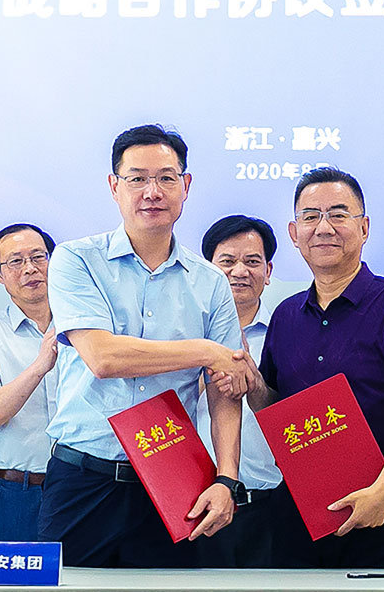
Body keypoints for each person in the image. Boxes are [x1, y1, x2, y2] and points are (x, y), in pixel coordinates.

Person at [38, 124, 247, 567]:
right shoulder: (76, 260)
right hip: (83, 476)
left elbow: (225, 390)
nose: (152, 191)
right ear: (114, 186)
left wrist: (226, 478)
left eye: (166, 178)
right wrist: (205, 350)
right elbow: (103, 357)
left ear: (186, 186)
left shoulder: (211, 282)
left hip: (175, 479)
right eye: (137, 178)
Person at [241, 167, 384, 569]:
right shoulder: (286, 314)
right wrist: (251, 383)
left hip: (382, 508)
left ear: (364, 228)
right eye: (310, 216)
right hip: (299, 512)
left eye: (338, 214)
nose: (324, 228)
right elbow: (275, 410)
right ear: (294, 233)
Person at [196, 214, 306, 568]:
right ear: (207, 270)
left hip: (269, 504)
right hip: (196, 504)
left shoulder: (289, 334)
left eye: (252, 262)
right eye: (227, 261)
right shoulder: (184, 338)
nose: (239, 271)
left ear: (268, 271)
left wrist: (256, 383)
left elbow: (300, 416)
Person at [0, 223, 61, 542]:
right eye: (16, 261)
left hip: (83, 487)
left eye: (38, 257)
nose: (30, 268)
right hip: (19, 492)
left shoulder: (86, 327)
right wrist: (39, 367)